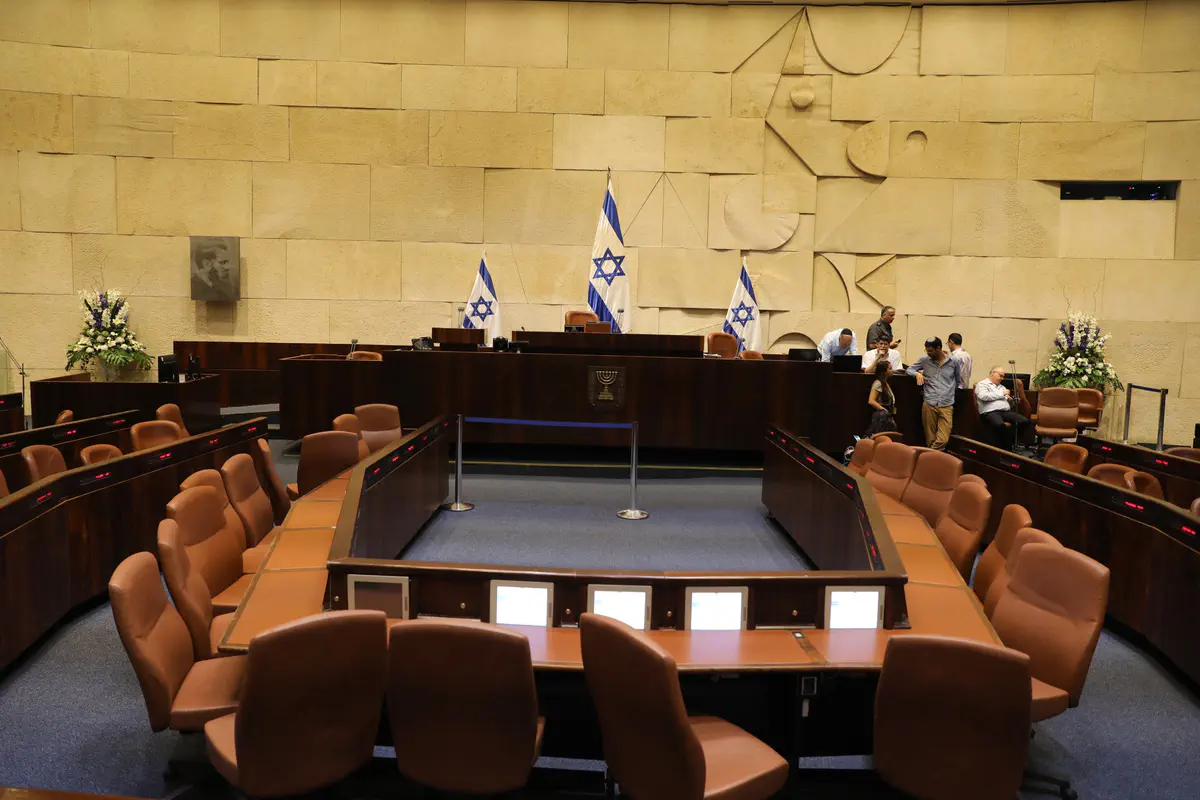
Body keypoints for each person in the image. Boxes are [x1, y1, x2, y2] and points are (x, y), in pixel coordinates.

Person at [906, 337, 961, 451]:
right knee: (930, 438)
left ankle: (928, 455)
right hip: (929, 403)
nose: (928, 353)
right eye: (927, 350)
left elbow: (957, 380)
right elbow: (909, 370)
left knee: (943, 439)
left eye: (930, 351)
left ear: (939, 348)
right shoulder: (924, 360)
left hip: (947, 404)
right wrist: (917, 374)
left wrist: (949, 392)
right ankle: (932, 459)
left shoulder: (954, 361)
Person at [975, 366, 1028, 451]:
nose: (1002, 378)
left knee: (1023, 421)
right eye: (1001, 376)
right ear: (993, 373)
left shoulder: (1002, 387)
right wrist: (1002, 394)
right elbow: (983, 396)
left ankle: (1012, 443)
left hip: (1005, 411)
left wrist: (1011, 400)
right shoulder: (982, 384)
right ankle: (1005, 449)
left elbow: (1006, 399)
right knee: (999, 425)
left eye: (1003, 376)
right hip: (990, 412)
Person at [865, 359, 898, 437]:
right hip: (881, 416)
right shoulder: (878, 383)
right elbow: (871, 401)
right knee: (879, 436)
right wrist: (883, 410)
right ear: (884, 372)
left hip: (887, 415)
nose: (892, 371)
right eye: (890, 369)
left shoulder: (885, 383)